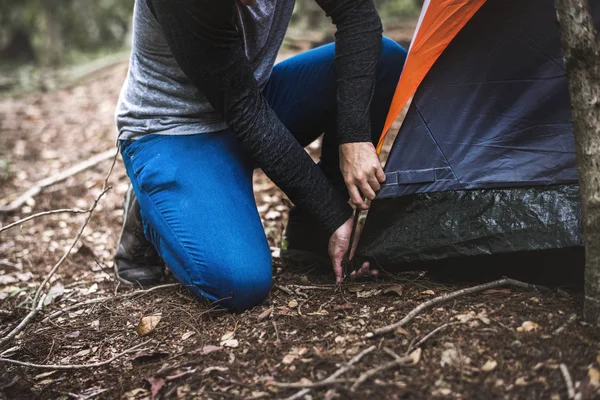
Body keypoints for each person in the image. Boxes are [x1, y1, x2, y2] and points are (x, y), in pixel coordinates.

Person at [113, 0, 407, 311]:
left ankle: (311, 237)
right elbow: (242, 109)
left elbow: (356, 12)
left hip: (252, 97)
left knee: (382, 60)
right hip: (175, 129)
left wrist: (354, 135)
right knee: (237, 284)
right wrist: (334, 214)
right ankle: (153, 207)